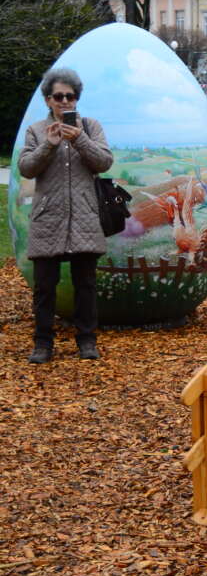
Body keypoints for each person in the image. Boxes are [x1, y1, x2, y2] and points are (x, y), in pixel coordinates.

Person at [17, 68, 113, 363]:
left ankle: (87, 341)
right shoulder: (36, 131)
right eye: (58, 96)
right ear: (48, 100)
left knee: (85, 284)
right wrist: (50, 144)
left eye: (70, 97)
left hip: (84, 215)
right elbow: (26, 168)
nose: (65, 101)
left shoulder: (90, 126)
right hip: (48, 218)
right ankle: (43, 344)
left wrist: (80, 139)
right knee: (45, 286)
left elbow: (105, 162)